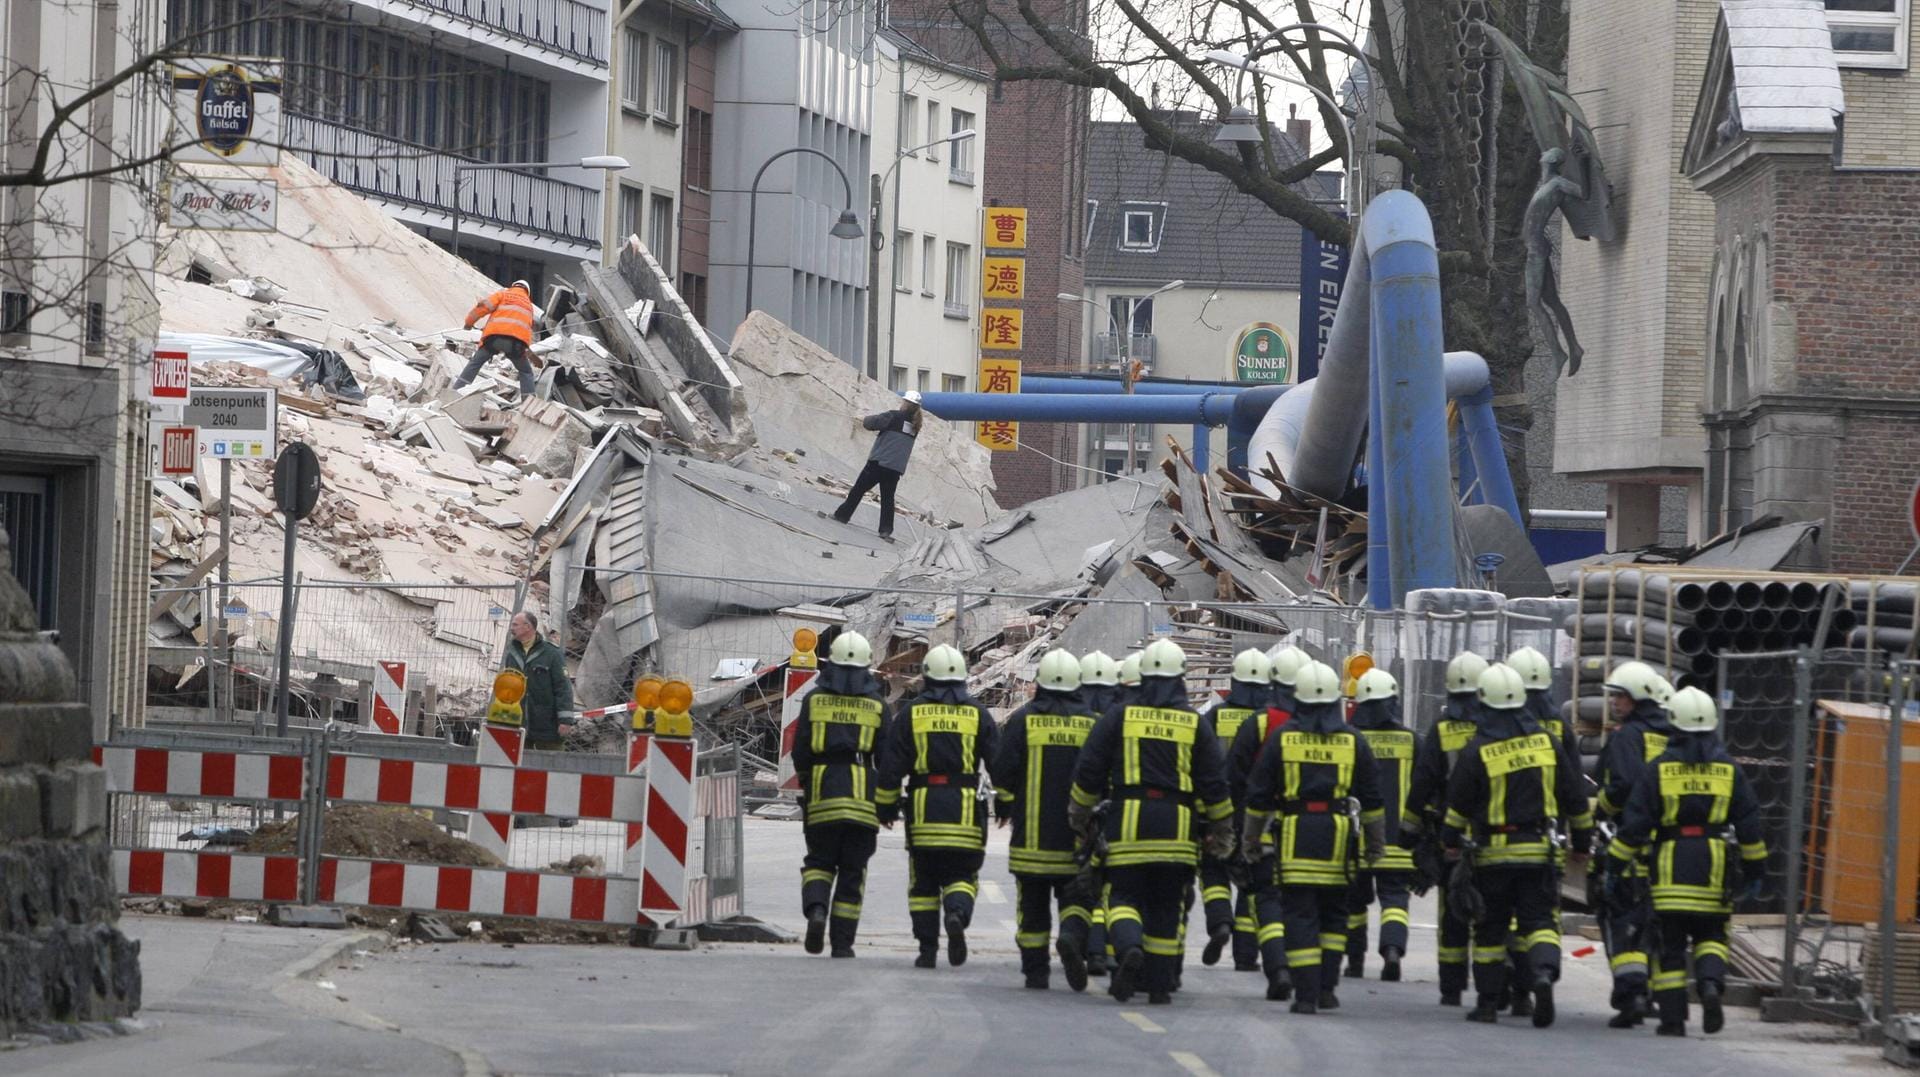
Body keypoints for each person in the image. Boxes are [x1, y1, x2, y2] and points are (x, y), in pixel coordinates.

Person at [1069, 639, 1233, 1005]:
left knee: (1122, 896)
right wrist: (1221, 830)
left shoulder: (1119, 717)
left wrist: (1080, 818)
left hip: (1127, 823)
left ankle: (1128, 948)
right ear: (1181, 679)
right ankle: (1158, 987)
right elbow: (1214, 784)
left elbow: (1089, 771)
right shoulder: (1194, 723)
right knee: (1166, 906)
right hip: (1177, 828)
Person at [1605, 687, 1767, 1037]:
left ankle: (1673, 1020)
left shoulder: (1658, 769)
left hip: (1669, 867)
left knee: (1670, 947)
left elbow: (1635, 826)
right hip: (1714, 866)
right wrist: (1755, 870)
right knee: (1712, 935)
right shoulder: (1729, 769)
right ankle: (1709, 986)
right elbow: (1750, 825)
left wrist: (1614, 867)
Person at [1441, 662, 1592, 1027]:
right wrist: (1583, 845)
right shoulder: (1548, 743)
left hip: (1493, 856)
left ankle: (1489, 1003)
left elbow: (1457, 806)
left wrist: (1449, 844)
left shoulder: (1479, 750)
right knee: (1538, 923)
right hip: (1540, 852)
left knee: (1492, 930)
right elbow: (1575, 798)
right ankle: (1538, 979)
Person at [1241, 660, 1385, 1014]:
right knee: (1334, 916)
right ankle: (1327, 989)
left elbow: (1259, 796)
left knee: (1299, 914)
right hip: (1338, 839)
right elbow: (1373, 799)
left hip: (1294, 836)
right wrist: (1375, 844)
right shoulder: (1353, 741)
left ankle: (1304, 996)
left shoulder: (1282, 739)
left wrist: (1251, 840)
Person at [876, 643, 997, 969]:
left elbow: (891, 768)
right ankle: (956, 914)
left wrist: (885, 808)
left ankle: (927, 950)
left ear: (927, 676)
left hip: (923, 809)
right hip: (965, 811)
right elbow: (999, 766)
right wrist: (1010, 805)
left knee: (924, 883)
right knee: (962, 875)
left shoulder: (911, 714)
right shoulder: (978, 714)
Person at [991, 649, 1098, 990]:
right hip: (1077, 841)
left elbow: (1003, 772)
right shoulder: (1092, 724)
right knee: (1077, 901)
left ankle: (1036, 973)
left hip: (1032, 841)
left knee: (1033, 909)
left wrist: (1007, 808)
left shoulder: (1023, 720)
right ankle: (1070, 936)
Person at [1398, 649, 1489, 1006]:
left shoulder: (1441, 731)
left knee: (1452, 911)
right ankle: (1496, 984)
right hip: (1489, 834)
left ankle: (1451, 987)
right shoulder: (1498, 729)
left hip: (1449, 837)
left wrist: (1410, 832)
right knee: (1491, 912)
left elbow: (1423, 782)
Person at [792, 631, 889, 958]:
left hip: (822, 792)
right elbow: (886, 757)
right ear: (867, 667)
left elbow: (800, 749)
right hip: (863, 798)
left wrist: (808, 781)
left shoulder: (814, 700)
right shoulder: (876, 704)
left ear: (830, 663)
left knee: (819, 862)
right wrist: (887, 800)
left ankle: (817, 909)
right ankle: (843, 943)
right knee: (853, 870)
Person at [1592, 660, 1677, 1028]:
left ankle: (1632, 995)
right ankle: (1659, 994)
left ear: (1637, 699)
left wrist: (1602, 808)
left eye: (1620, 697)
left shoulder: (1628, 737)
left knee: (1623, 919)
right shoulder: (1672, 736)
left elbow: (1623, 787)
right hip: (1666, 847)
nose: (1614, 703)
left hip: (1629, 843)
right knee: (1656, 925)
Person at [1229, 644, 1309, 998]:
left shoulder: (1259, 724)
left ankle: (1272, 964)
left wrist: (1236, 829)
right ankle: (1313, 980)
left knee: (1264, 896)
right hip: (1309, 832)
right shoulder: (1329, 732)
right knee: (1304, 903)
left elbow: (1236, 779)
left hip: (1262, 827)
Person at [1197, 648, 1273, 972]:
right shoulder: (1272, 721)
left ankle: (1219, 924)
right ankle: (1245, 956)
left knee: (1214, 871)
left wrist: (1204, 815)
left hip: (1221, 810)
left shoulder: (1214, 717)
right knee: (1252, 882)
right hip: (1259, 814)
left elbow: (1202, 766)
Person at [1343, 668, 1416, 983]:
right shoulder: (1414, 741)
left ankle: (1355, 962)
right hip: (1398, 841)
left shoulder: (1349, 739)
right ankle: (1392, 951)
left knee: (1354, 903)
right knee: (1395, 901)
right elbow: (1424, 789)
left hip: (1357, 840)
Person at [1075, 650, 1123, 979]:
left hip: (1080, 810)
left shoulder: (1077, 716)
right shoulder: (1120, 717)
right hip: (1118, 812)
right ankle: (1103, 951)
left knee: (1085, 884)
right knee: (1110, 885)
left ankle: (1087, 947)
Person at [832, 392, 923, 540]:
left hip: (879, 462)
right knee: (888, 499)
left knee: (858, 489)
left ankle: (842, 515)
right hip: (895, 468)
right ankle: (885, 530)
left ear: (906, 403)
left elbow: (871, 423)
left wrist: (864, 419)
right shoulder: (915, 425)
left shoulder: (893, 416)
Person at [456, 279, 538, 398]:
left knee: (475, 363)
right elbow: (527, 329)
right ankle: (529, 404)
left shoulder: (503, 294)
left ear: (513, 286)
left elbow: (482, 307)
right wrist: (524, 349)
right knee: (526, 372)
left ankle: (457, 391)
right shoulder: (529, 306)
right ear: (527, 292)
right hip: (516, 345)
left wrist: (468, 324)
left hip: (494, 339)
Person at [504, 611, 572, 750]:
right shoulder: (512, 653)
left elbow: (563, 688)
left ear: (527, 627)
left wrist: (565, 720)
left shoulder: (551, 653)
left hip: (547, 724)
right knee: (517, 767)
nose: (512, 628)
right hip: (519, 723)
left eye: (515, 625)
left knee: (551, 765)